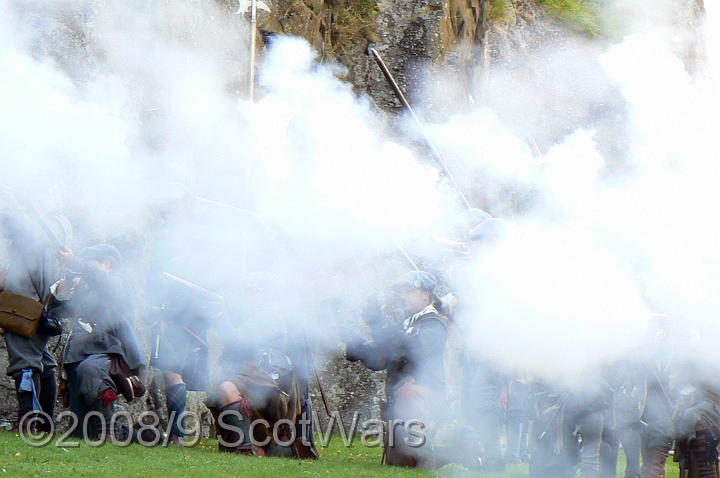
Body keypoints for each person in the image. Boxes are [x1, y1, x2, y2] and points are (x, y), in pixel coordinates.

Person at [344, 270, 448, 468]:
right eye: (401, 291)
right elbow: (381, 360)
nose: (402, 296)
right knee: (399, 462)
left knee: (416, 462)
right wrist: (354, 342)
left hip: (419, 405)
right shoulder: (407, 325)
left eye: (408, 291)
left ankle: (458, 456)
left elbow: (412, 349)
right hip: (399, 406)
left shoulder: (434, 325)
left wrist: (379, 324)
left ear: (426, 294)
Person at [55, 244, 147, 441]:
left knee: (91, 370)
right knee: (83, 432)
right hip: (79, 353)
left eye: (91, 263)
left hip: (111, 352)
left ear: (107, 263)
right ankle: (139, 436)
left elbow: (101, 279)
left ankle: (108, 432)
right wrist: (66, 286)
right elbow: (57, 310)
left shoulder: (119, 283)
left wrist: (75, 262)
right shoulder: (89, 287)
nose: (87, 269)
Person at [1, 202, 64, 433]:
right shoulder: (41, 246)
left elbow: (10, 281)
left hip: (21, 313)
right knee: (45, 365)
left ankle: (27, 423)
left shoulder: (27, 248)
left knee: (24, 366)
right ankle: (45, 423)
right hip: (35, 311)